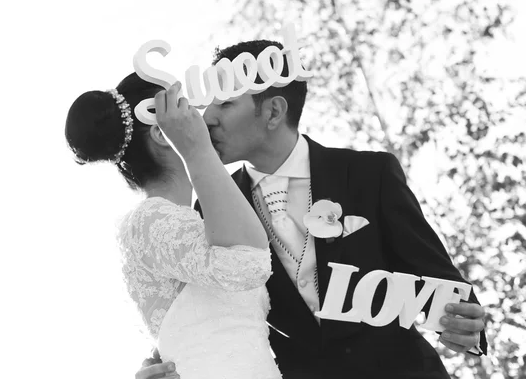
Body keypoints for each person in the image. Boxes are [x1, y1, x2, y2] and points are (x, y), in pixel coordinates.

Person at [136, 40, 488, 379]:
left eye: (225, 104)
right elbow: (205, 317)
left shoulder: (369, 173)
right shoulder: (210, 210)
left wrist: (466, 324)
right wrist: (166, 365)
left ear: (273, 111)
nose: (207, 118)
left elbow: (439, 280)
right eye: (207, 105)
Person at [65, 73, 283, 379]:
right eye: (184, 108)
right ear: (160, 131)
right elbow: (248, 262)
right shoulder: (149, 221)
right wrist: (196, 150)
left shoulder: (189, 225)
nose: (202, 117)